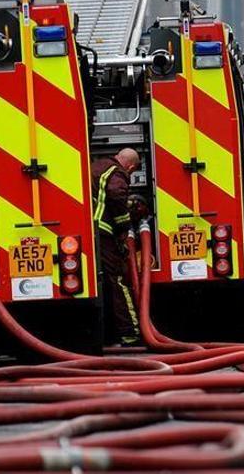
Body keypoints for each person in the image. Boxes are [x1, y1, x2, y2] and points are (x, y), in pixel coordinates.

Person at [91, 148, 142, 346]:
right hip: (104, 233)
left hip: (91, 232)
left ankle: (108, 333)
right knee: (118, 280)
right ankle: (130, 333)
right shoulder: (118, 173)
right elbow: (115, 194)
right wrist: (125, 227)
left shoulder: (98, 166)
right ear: (131, 166)